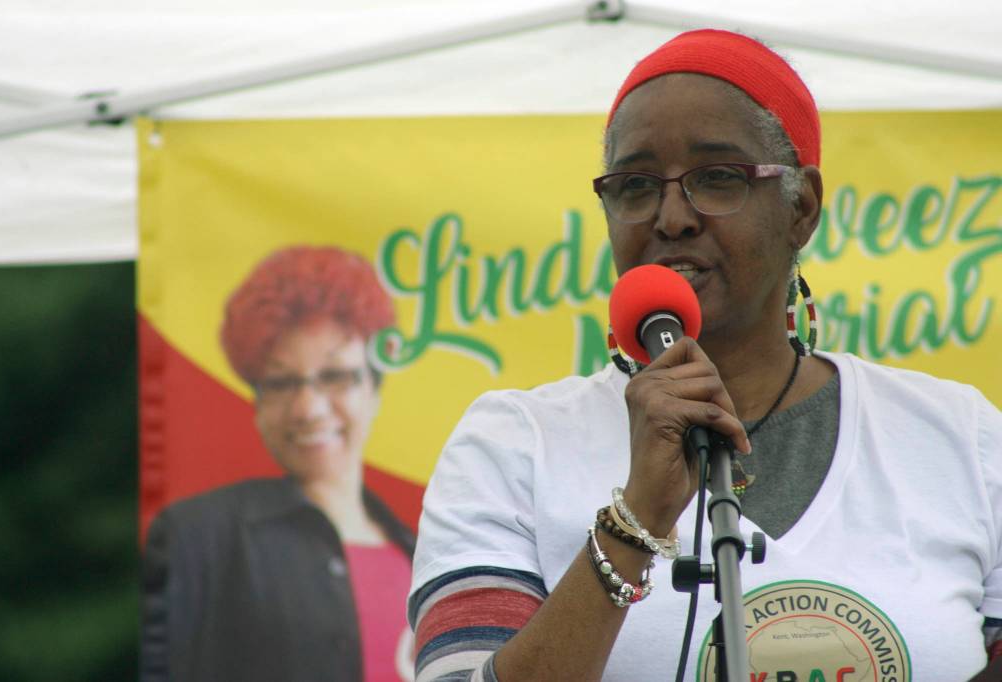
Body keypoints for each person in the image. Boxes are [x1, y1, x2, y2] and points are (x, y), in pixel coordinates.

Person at [408, 29, 1002, 681]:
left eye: (717, 178)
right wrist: (634, 523)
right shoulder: (512, 446)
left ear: (801, 206)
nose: (671, 216)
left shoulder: (960, 440)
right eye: (635, 185)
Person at [141, 246, 415, 682]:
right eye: (281, 382)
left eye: (335, 376)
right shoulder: (196, 536)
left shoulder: (426, 556)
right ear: (258, 404)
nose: (307, 408)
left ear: (374, 390)